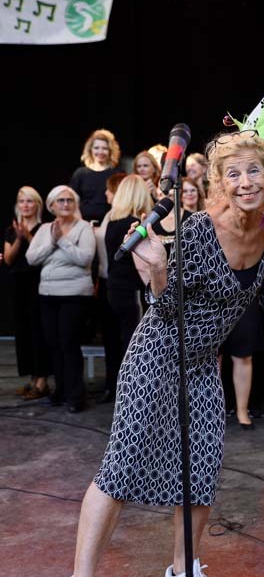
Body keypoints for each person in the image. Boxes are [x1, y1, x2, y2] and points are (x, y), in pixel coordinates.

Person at [49, 130, 264, 577]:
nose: (246, 182)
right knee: (120, 469)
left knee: (201, 467)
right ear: (219, 183)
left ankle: (182, 573)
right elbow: (166, 308)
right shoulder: (200, 230)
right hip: (158, 352)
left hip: (202, 364)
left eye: (254, 170)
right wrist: (158, 269)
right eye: (234, 173)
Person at [26, 186, 96, 413]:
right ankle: (60, 391)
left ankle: (76, 396)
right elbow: (31, 258)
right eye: (61, 201)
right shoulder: (45, 229)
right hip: (47, 294)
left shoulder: (84, 228)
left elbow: (85, 258)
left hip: (75, 295)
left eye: (69, 200)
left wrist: (63, 241)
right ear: (51, 205)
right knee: (54, 344)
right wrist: (52, 243)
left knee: (68, 342)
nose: (66, 204)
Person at [103, 174, 153, 392]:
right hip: (132, 290)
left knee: (121, 339)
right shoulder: (134, 225)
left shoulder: (112, 223)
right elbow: (141, 265)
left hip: (114, 289)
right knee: (135, 343)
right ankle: (132, 391)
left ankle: (118, 388)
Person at [3, 186, 50, 399]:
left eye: (29, 201)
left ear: (37, 204)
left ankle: (42, 381)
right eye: (22, 201)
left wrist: (28, 236)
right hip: (17, 284)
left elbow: (42, 254)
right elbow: (8, 259)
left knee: (38, 330)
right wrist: (19, 238)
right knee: (23, 331)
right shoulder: (11, 229)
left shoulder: (44, 228)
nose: (25, 205)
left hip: (37, 283)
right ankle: (32, 379)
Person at [93, 171, 128, 403]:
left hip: (121, 285)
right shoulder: (108, 215)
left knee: (124, 339)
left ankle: (123, 387)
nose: (106, 193)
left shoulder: (124, 218)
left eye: (109, 190)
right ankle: (110, 384)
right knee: (109, 338)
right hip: (105, 281)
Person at [71, 129, 122, 223]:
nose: (100, 152)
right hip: (83, 224)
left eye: (104, 148)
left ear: (110, 151)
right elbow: (72, 201)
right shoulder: (80, 173)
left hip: (111, 223)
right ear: (90, 150)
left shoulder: (118, 174)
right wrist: (82, 225)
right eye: (96, 148)